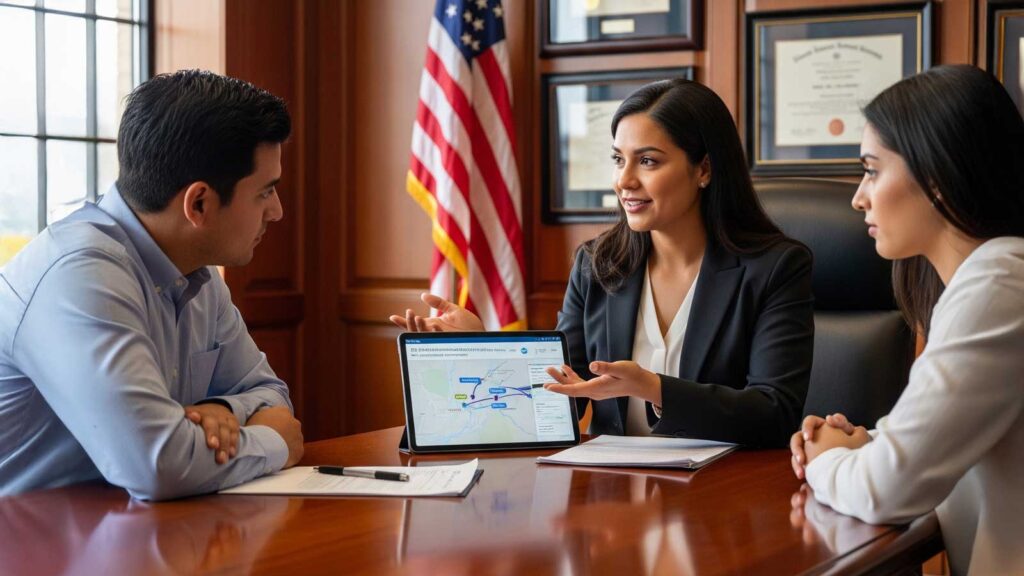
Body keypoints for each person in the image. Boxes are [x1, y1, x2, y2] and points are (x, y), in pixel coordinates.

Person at [391, 79, 814, 447]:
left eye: (647, 161)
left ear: (703, 168)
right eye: (618, 159)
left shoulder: (775, 268)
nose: (624, 180)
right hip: (614, 498)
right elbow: (561, 397)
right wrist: (478, 348)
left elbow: (774, 413)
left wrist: (653, 388)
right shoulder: (597, 264)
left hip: (724, 500)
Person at [0, 70, 304, 500]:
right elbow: (158, 465)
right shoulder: (79, 275)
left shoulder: (199, 274)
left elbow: (271, 397)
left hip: (137, 537)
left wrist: (218, 411)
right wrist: (275, 444)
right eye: (265, 192)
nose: (277, 212)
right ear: (198, 203)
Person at [789, 65, 1024, 575]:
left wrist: (826, 459)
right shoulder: (993, 278)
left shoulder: (999, 283)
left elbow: (885, 490)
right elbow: (953, 429)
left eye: (872, 170)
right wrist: (866, 442)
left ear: (937, 177)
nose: (858, 196)